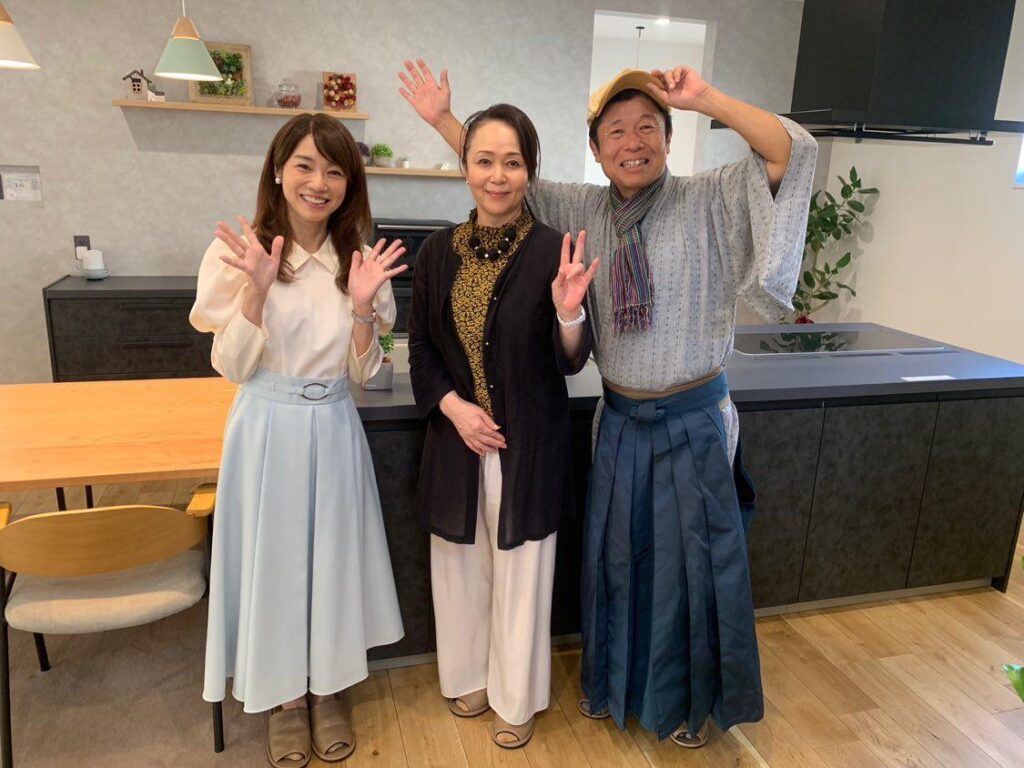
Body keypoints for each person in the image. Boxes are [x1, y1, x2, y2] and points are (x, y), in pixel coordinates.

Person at [399, 60, 817, 747]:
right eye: (615, 131)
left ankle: (688, 706)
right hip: (619, 420)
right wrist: (445, 120)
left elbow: (789, 152)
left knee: (692, 573)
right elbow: (503, 177)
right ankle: (615, 689)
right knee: (618, 566)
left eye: (647, 127)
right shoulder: (584, 211)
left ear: (669, 138)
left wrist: (707, 97)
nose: (632, 142)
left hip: (693, 420)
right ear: (595, 149)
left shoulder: (710, 197)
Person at [190, 113, 406, 767]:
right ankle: (285, 700)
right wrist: (255, 294)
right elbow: (232, 368)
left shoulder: (358, 260)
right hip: (265, 427)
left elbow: (366, 375)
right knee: (276, 564)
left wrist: (363, 307)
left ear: (350, 184)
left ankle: (328, 686)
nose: (319, 183)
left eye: (335, 171)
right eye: (306, 166)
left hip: (334, 425)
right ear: (278, 170)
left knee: (331, 560)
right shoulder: (239, 252)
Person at [407, 103, 596, 749]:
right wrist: (454, 409)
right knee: (459, 569)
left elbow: (572, 361)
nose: (497, 175)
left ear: (529, 171)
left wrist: (569, 313)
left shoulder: (554, 250)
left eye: (512, 162)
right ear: (464, 166)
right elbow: (421, 348)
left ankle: (515, 697)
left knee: (522, 574)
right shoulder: (437, 252)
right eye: (484, 161)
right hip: (456, 442)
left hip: (529, 445)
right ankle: (469, 677)